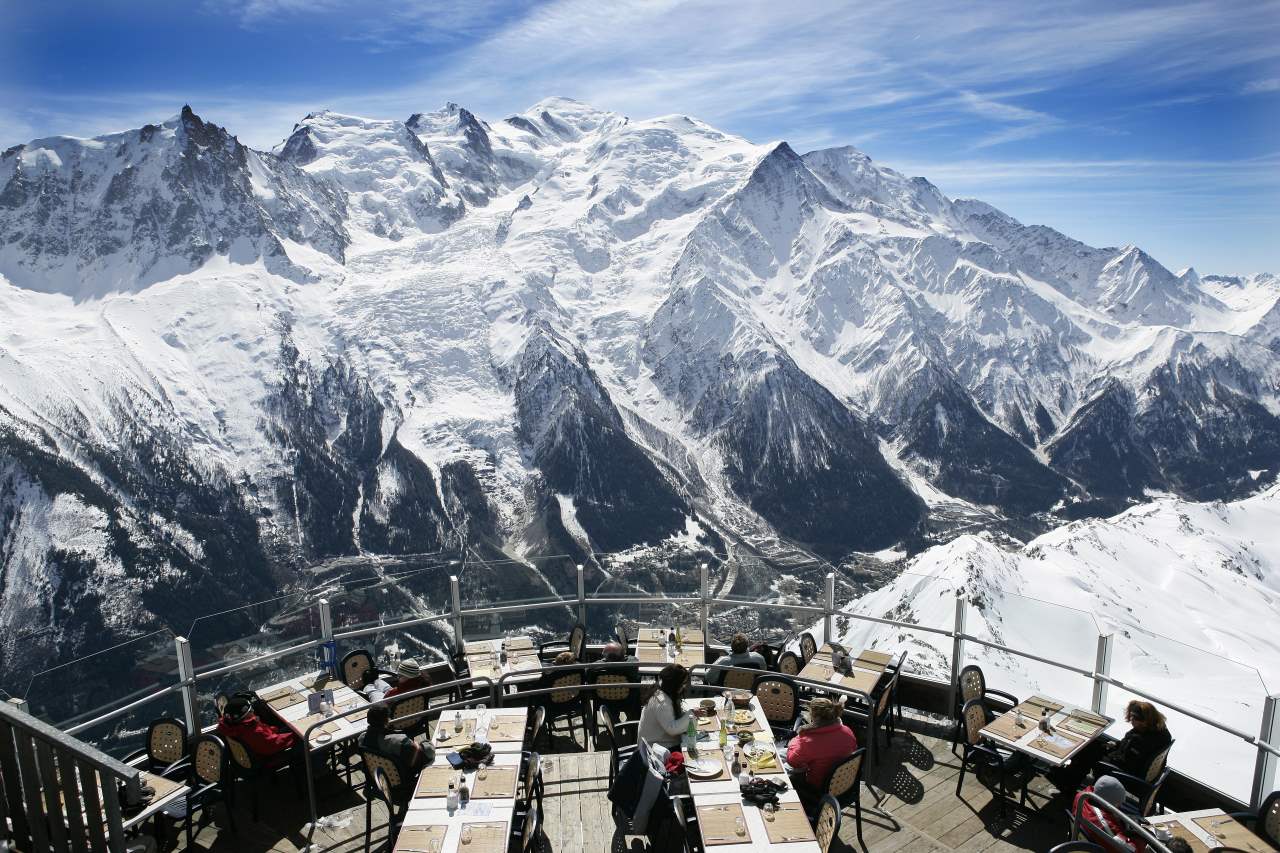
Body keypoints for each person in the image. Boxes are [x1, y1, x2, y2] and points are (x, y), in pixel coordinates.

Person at [785, 697, 859, 807]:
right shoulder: (847, 731)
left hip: (819, 788)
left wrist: (798, 738)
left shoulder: (809, 741)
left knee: (785, 769)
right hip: (846, 785)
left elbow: (792, 760)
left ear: (815, 717)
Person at [359, 703, 433, 785]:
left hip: (378, 780)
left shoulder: (362, 739)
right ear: (387, 720)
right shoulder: (399, 742)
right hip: (403, 782)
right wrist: (426, 743)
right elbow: (429, 753)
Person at [1073, 775, 1146, 853]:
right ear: (1107, 803)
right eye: (1117, 804)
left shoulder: (1082, 795)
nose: (1119, 806)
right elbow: (1131, 850)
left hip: (1084, 839)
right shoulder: (1104, 825)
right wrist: (1142, 840)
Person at [216, 695, 298, 763]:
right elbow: (275, 743)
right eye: (250, 711)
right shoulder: (255, 732)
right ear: (244, 716)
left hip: (256, 749)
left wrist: (274, 729)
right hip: (266, 757)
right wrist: (297, 733)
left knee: (287, 727)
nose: (253, 710)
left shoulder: (229, 726)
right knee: (301, 740)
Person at [1101, 701, 1172, 777]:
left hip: (1125, 774)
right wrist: (1117, 744)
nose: (1131, 720)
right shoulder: (1163, 732)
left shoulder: (1138, 740)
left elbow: (1126, 763)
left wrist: (1108, 756)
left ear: (1144, 721)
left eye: (1134, 718)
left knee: (1094, 749)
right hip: (1141, 770)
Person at [638, 663, 694, 750]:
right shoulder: (662, 702)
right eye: (683, 683)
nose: (684, 686)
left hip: (657, 742)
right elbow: (672, 729)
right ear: (674, 684)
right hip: (655, 750)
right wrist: (692, 714)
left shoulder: (660, 689)